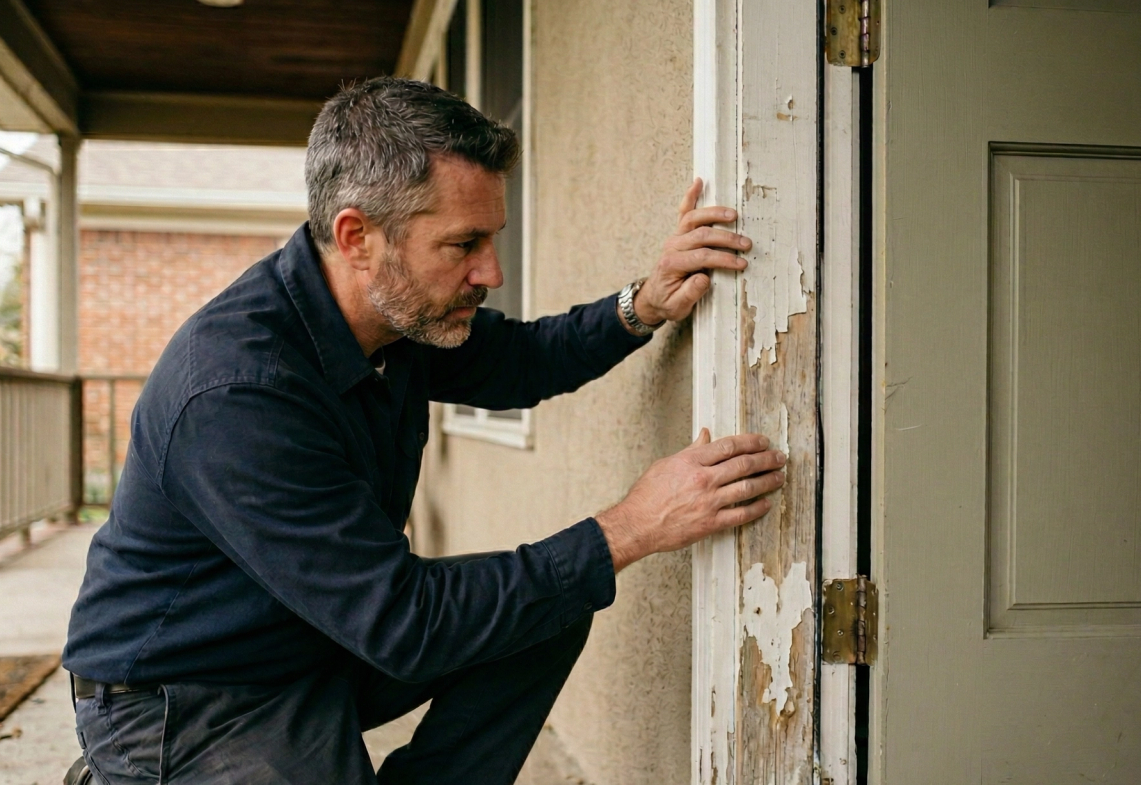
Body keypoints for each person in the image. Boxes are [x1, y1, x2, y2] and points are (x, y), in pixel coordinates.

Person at [62, 77, 785, 785]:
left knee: (547, 611)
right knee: (558, 579)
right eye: (464, 244)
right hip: (186, 697)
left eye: (493, 239)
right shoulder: (237, 393)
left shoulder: (394, 314)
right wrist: (630, 527)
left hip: (316, 636)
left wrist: (645, 302)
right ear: (357, 237)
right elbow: (404, 621)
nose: (491, 271)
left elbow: (522, 360)